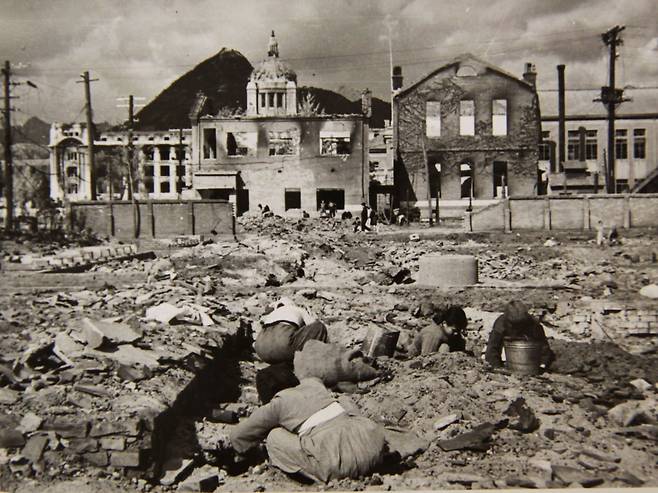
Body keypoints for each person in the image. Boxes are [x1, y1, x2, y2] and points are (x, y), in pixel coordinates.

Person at [229, 376, 387, 483]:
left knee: (274, 436)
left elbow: (239, 436)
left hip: (338, 463)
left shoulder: (279, 402)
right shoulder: (314, 385)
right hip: (371, 447)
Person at [484, 301, 555, 369]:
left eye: (520, 325)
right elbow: (493, 348)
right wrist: (496, 366)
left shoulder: (532, 324)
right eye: (514, 326)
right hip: (511, 355)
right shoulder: (501, 324)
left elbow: (543, 346)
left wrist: (542, 365)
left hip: (528, 359)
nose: (517, 329)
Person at [254, 301, 328, 365]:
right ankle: (312, 362)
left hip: (260, 349)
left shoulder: (273, 313)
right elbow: (312, 324)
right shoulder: (297, 309)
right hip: (282, 343)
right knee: (319, 326)